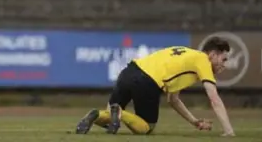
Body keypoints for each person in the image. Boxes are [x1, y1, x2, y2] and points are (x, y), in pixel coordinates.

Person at [75, 37, 235, 137]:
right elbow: (214, 99)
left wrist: (195, 122)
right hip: (147, 81)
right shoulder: (203, 60)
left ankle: (95, 114)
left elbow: (173, 100)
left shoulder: (187, 56)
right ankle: (120, 112)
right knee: (147, 128)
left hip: (128, 71)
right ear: (212, 54)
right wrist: (229, 130)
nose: (224, 65)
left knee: (109, 118)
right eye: (224, 59)